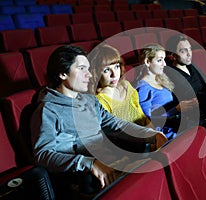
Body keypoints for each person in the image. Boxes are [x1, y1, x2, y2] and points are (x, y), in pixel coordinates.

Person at [30, 45, 167, 199]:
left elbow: (115, 124)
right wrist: (89, 163)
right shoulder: (48, 110)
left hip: (113, 163)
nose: (89, 75)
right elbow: (43, 155)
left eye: (88, 69)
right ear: (62, 73)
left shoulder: (88, 99)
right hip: (84, 178)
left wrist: (151, 135)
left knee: (159, 169)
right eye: (82, 69)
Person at [88, 44, 154, 152]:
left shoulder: (126, 85)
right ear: (95, 73)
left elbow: (141, 116)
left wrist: (154, 134)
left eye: (117, 67)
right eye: (106, 70)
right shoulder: (99, 101)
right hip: (128, 148)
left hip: (146, 138)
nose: (114, 74)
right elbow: (116, 135)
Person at [165, 34, 206, 127]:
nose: (189, 54)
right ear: (172, 55)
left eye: (189, 49)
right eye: (183, 51)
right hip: (196, 116)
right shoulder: (171, 73)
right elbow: (193, 95)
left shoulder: (190, 66)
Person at [134, 43, 198, 140]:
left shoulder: (160, 79)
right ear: (147, 62)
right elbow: (147, 122)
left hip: (178, 125)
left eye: (163, 59)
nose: (164, 64)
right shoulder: (142, 89)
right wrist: (176, 109)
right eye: (159, 60)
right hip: (167, 135)